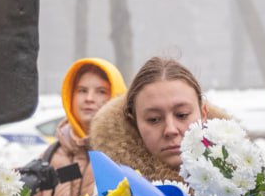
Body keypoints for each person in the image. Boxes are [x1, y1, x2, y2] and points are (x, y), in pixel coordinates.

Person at [91, 57, 232, 183]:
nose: (170, 130)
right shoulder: (112, 194)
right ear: (134, 122)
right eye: (153, 119)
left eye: (182, 115)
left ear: (204, 114)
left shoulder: (241, 181)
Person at [29, 58, 126, 196]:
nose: (89, 98)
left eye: (101, 91)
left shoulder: (128, 155)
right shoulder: (50, 156)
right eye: (82, 90)